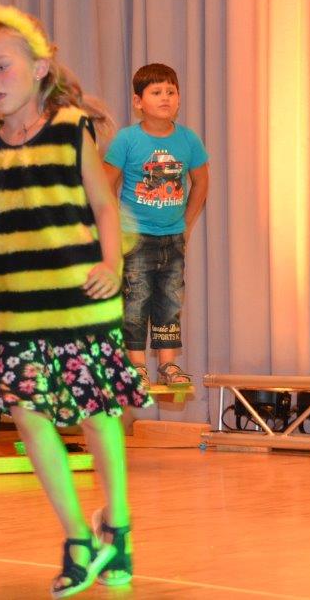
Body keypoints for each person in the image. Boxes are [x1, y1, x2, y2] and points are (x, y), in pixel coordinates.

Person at [0, 5, 153, 594]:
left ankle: (116, 526)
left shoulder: (71, 128)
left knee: (99, 416)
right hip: (18, 307)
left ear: (40, 67)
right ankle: (77, 537)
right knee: (29, 418)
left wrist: (111, 263)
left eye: (3, 66)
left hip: (79, 300)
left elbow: (103, 206)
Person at [103, 63, 209, 387]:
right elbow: (105, 184)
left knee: (170, 299)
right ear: (138, 101)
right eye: (156, 92)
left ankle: (167, 364)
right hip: (135, 238)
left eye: (171, 92)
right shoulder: (127, 139)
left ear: (179, 98)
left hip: (172, 238)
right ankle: (136, 366)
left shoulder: (188, 140)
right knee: (135, 299)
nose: (165, 97)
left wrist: (186, 224)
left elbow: (201, 183)